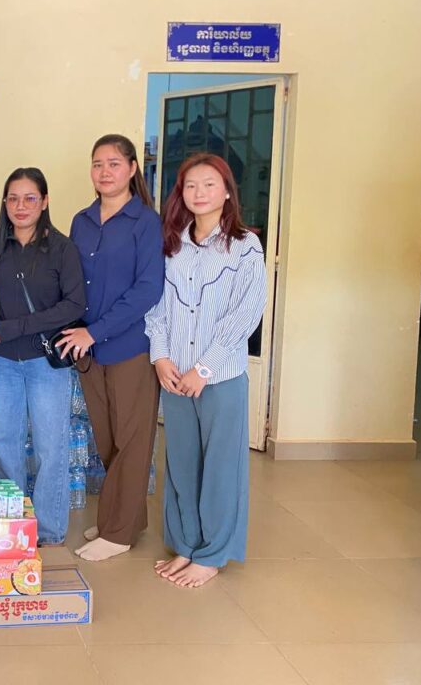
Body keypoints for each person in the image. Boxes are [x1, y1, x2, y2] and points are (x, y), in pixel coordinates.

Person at [146, 152, 266, 588]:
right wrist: (161, 357)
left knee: (220, 467)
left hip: (219, 378)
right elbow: (156, 307)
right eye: (191, 185)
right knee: (181, 464)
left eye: (209, 184)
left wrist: (203, 368)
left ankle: (212, 554)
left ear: (227, 192)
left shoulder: (244, 245)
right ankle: (186, 545)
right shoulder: (171, 244)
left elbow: (245, 314)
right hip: (175, 375)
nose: (199, 193)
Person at [57, 134, 165, 562]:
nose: (105, 172)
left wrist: (95, 331)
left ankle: (118, 533)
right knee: (108, 440)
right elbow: (71, 281)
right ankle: (129, 519)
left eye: (114, 163)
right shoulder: (82, 221)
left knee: (133, 440)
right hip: (88, 350)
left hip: (129, 346)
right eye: (98, 164)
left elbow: (148, 289)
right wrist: (74, 330)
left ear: (133, 169)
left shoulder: (145, 221)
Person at [0, 168, 85, 546]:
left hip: (45, 361)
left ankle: (49, 531)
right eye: (13, 198)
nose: (20, 206)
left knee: (50, 447)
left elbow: (74, 305)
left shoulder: (62, 249)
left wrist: (16, 327)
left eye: (29, 198)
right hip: (2, 361)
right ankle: (14, 525)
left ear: (44, 202)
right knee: (5, 441)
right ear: (4, 203)